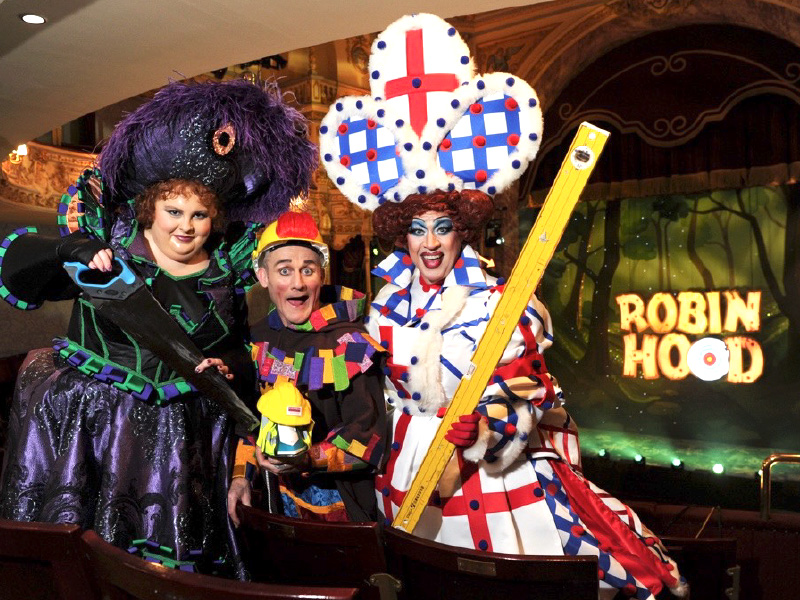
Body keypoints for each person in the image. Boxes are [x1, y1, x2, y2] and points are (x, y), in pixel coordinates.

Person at [317, 13, 687, 599]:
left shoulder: (502, 303)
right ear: (402, 235)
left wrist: (488, 425)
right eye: (417, 229)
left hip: (491, 478)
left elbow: (528, 387)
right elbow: (370, 389)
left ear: (462, 232)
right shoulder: (385, 306)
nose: (430, 243)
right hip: (406, 473)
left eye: (443, 227)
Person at [0, 79, 317, 576]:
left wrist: (227, 365)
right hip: (94, 430)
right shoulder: (110, 245)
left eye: (199, 215)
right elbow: (17, 270)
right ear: (151, 208)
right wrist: (70, 249)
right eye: (173, 211)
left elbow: (238, 350)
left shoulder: (225, 272)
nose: (185, 226)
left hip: (182, 444)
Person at [228, 211, 387, 523]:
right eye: (284, 270)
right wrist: (241, 477)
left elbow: (367, 444)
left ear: (321, 276)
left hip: (338, 513)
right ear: (264, 277)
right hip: (272, 502)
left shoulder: (352, 344)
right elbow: (249, 423)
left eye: (308, 270)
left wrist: (307, 459)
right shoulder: (257, 338)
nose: (298, 283)